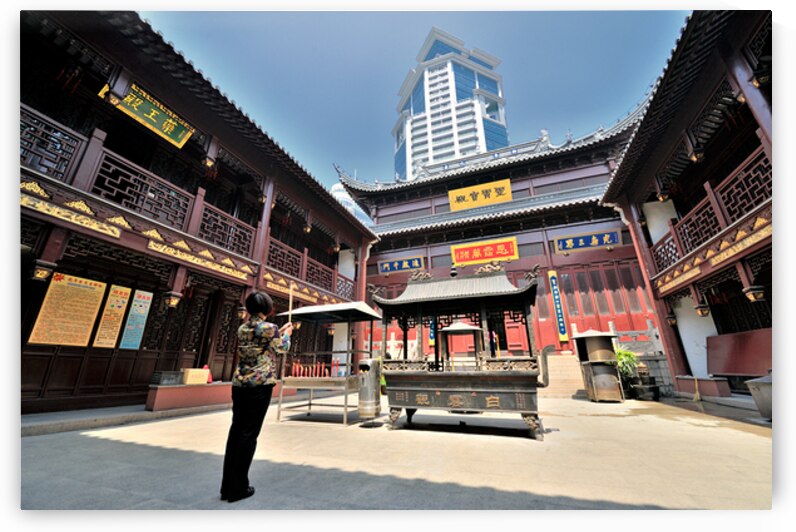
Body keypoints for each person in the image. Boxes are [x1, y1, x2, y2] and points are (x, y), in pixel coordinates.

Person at [220, 291, 293, 503]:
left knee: (236, 433)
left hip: (240, 384)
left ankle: (227, 486)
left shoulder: (242, 328)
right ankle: (238, 488)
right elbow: (282, 348)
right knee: (249, 434)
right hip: (259, 385)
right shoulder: (269, 328)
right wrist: (286, 333)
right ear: (267, 309)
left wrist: (281, 332)